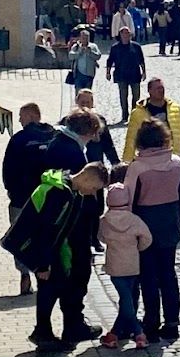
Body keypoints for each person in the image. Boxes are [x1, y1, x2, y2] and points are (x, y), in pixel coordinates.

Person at [3, 161, 108, 352]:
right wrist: (43, 264)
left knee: (55, 285)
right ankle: (42, 332)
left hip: (51, 249)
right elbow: (47, 230)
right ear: (86, 177)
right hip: (40, 249)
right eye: (93, 187)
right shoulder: (60, 194)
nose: (92, 192)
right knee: (49, 287)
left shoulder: (69, 190)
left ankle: (50, 330)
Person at [125, 119, 180, 343]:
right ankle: (172, 323)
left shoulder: (138, 168)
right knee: (168, 274)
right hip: (169, 224)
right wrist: (177, 225)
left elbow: (129, 200)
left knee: (148, 276)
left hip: (145, 226)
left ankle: (151, 324)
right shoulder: (177, 164)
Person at [1, 102, 54, 295]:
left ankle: (25, 275)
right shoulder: (54, 136)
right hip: (49, 198)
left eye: (21, 116)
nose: (19, 120)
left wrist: (10, 191)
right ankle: (48, 273)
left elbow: (8, 170)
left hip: (21, 199)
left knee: (20, 237)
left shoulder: (18, 140)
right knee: (46, 234)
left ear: (31, 116)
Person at [63, 90, 119, 252]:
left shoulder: (99, 122)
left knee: (97, 207)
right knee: (81, 209)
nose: (86, 105)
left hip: (96, 171)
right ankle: (83, 239)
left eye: (89, 102)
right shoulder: (69, 122)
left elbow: (108, 145)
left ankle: (94, 238)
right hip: (78, 172)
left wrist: (115, 164)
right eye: (83, 102)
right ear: (77, 102)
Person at [98, 182, 152, 349]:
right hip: (132, 264)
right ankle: (117, 333)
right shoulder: (134, 220)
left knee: (125, 299)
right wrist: (138, 248)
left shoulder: (104, 221)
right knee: (127, 299)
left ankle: (137, 333)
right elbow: (147, 238)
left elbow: (101, 237)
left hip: (115, 266)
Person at [123, 77, 180, 166]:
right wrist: (126, 163)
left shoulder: (175, 109)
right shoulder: (138, 113)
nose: (161, 91)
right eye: (158, 88)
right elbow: (131, 139)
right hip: (149, 160)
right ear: (150, 91)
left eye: (162, 88)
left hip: (172, 159)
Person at [106, 26, 146, 122]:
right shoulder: (115, 47)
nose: (126, 35)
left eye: (127, 33)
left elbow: (141, 60)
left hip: (135, 74)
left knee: (136, 96)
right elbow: (110, 61)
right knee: (123, 96)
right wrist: (108, 72)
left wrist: (144, 72)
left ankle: (134, 114)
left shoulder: (136, 46)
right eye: (123, 33)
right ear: (120, 35)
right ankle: (124, 115)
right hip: (121, 75)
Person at [68, 27, 102, 92]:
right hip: (78, 74)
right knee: (79, 93)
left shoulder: (93, 46)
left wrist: (90, 52)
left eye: (86, 38)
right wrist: (79, 53)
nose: (85, 40)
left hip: (89, 74)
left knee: (87, 93)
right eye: (83, 38)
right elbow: (70, 56)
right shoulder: (76, 46)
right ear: (80, 38)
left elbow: (98, 56)